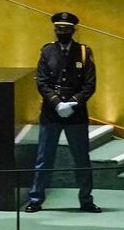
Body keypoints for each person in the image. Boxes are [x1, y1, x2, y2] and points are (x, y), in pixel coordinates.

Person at [26, 11, 100, 214]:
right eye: (59, 29)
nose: (62, 32)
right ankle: (36, 199)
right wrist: (57, 103)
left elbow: (89, 84)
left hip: (76, 114)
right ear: (55, 30)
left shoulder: (84, 52)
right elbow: (41, 81)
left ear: (73, 30)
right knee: (44, 158)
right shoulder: (47, 51)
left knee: (81, 159)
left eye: (66, 29)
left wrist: (73, 103)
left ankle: (86, 200)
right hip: (51, 112)